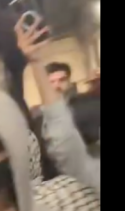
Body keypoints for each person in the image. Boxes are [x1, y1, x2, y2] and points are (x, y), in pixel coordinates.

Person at [19, 18, 100, 193]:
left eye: (61, 80)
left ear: (69, 81)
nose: (57, 86)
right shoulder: (37, 120)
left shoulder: (89, 106)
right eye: (52, 82)